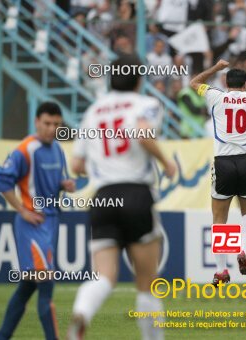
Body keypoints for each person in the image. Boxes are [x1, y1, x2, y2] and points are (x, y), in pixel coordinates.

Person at [67, 54, 176, 340]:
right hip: (136, 193)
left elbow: (76, 165)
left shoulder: (93, 111)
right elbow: (143, 134)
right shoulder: (146, 104)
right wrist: (167, 162)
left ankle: (82, 312)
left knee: (104, 275)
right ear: (139, 79)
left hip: (103, 197)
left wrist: (100, 165)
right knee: (147, 283)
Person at [190, 49, 246, 285]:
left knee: (220, 218)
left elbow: (194, 82)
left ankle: (221, 270)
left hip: (223, 163)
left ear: (225, 82)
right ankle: (245, 251)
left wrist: (215, 68)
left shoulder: (215, 96)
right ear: (245, 83)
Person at [0, 102, 76, 340]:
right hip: (32, 226)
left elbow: (57, 181)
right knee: (46, 288)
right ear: (36, 122)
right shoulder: (25, 149)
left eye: (57, 124)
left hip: (51, 223)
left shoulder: (58, 150)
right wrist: (22, 210)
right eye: (47, 123)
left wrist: (65, 185)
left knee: (28, 287)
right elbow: (3, 182)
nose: (52, 129)